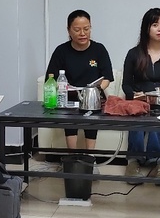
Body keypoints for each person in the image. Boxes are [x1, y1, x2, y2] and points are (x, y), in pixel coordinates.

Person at [122, 8, 160, 181]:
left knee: (158, 118)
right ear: (146, 28)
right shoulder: (134, 54)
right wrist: (135, 95)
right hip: (139, 101)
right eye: (155, 25)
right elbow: (126, 84)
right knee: (137, 117)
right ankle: (133, 162)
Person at [45, 10, 115, 150]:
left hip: (93, 98)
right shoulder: (61, 51)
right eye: (77, 30)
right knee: (69, 117)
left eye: (86, 29)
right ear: (69, 30)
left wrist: (94, 91)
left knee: (92, 114)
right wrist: (63, 87)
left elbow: (107, 78)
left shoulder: (99, 49)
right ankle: (73, 156)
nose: (82, 33)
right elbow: (51, 77)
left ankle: (90, 156)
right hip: (69, 98)